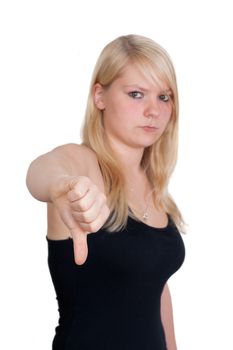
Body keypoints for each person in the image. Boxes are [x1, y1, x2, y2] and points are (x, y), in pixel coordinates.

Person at [26, 34, 185, 350]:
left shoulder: (155, 189)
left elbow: (154, 289)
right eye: (137, 94)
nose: (153, 110)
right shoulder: (82, 164)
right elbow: (40, 171)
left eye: (164, 97)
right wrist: (62, 187)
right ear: (100, 95)